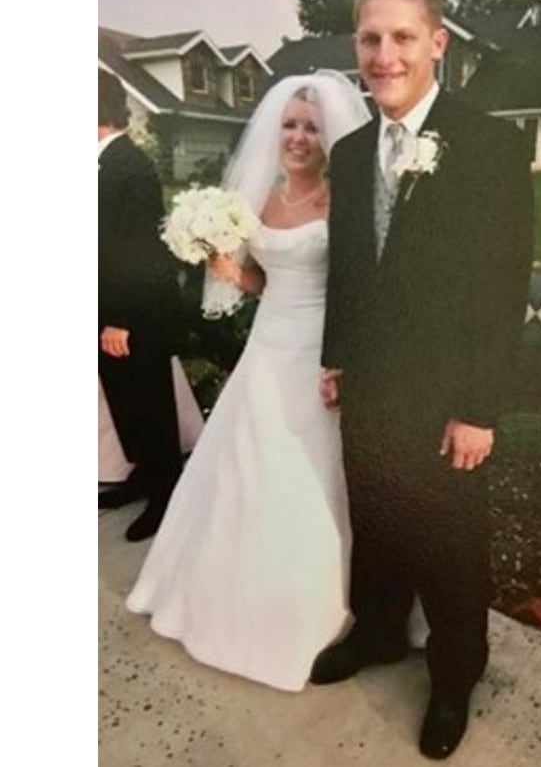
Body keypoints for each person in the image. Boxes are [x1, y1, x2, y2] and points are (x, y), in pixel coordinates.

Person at [126, 71, 417, 692]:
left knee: (312, 474)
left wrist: (345, 361)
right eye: (289, 124)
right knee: (243, 466)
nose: (299, 137)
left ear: (331, 134)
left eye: (312, 126)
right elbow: (263, 282)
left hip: (321, 352)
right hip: (267, 348)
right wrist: (226, 267)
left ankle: (321, 610)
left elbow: (360, 289)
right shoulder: (254, 202)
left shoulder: (345, 201)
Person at [310, 0, 536, 760]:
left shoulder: (489, 146)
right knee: (376, 522)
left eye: (402, 36)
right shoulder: (347, 151)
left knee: (448, 540)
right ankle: (375, 633)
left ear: (436, 42)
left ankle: (452, 675)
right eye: (370, 38)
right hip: (370, 383)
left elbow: (503, 284)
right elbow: (350, 265)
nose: (384, 54)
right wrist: (338, 357)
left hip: (448, 396)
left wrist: (479, 407)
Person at [98, 68, 185, 540]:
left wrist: (118, 319)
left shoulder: (126, 166)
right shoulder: (104, 163)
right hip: (108, 309)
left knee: (148, 402)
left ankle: (166, 489)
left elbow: (136, 251)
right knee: (125, 401)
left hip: (133, 313)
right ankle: (144, 476)